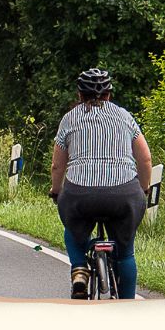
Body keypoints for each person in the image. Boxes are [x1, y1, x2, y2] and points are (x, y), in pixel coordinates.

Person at [50, 67, 152, 299]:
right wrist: (143, 188)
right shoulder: (124, 116)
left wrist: (56, 191)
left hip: (79, 196)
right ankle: (126, 306)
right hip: (124, 193)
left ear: (79, 95)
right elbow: (145, 158)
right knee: (125, 252)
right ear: (109, 94)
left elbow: (58, 166)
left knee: (73, 231)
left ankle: (79, 269)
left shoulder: (69, 119)